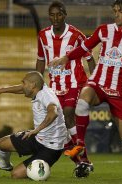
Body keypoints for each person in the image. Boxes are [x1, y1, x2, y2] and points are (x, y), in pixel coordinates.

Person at [50, 0, 122, 181]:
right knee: (83, 99)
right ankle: (80, 145)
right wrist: (65, 58)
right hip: (98, 83)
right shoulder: (104, 30)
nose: (116, 15)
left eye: (120, 11)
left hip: (120, 92)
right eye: (114, 11)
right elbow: (84, 47)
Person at [36, 0, 96, 177]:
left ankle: (81, 155)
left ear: (65, 15)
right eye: (52, 15)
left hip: (75, 83)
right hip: (54, 86)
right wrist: (38, 85)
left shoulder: (76, 35)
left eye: (59, 14)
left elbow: (89, 58)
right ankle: (82, 162)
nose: (55, 18)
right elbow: (40, 59)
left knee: (68, 113)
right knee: (59, 127)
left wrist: (95, 84)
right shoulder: (42, 35)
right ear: (49, 16)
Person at [0, 71, 67, 179]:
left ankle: (41, 164)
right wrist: (1, 90)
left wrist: (36, 130)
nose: (22, 86)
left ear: (32, 85)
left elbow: (53, 113)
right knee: (1, 143)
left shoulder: (46, 96)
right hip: (38, 138)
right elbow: (21, 88)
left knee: (16, 175)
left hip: (51, 147)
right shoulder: (39, 88)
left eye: (24, 83)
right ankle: (4, 164)